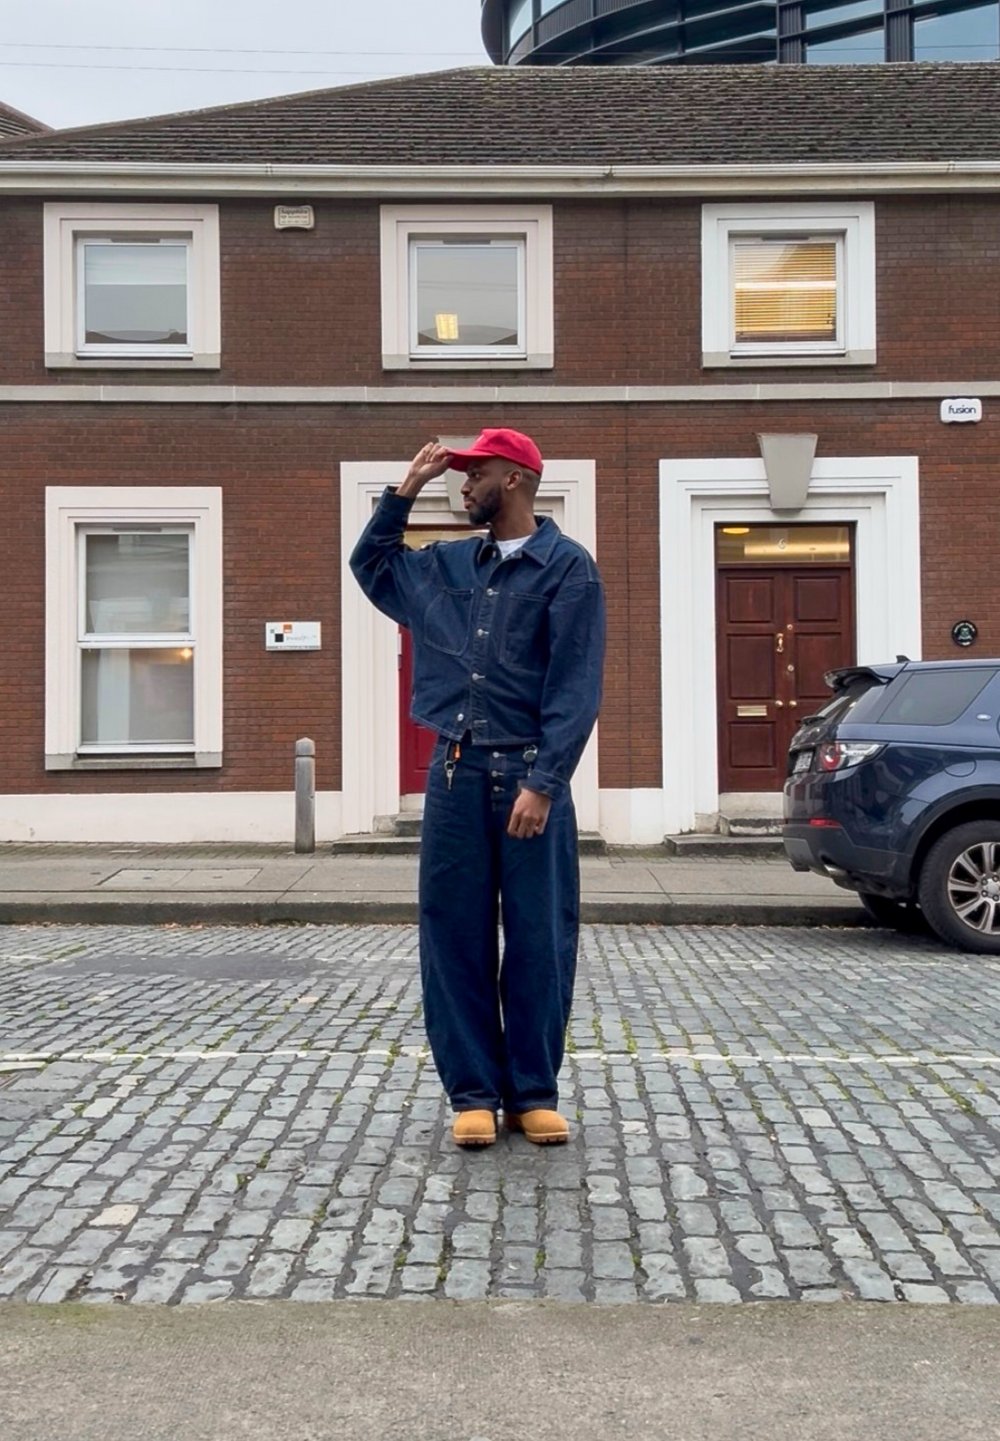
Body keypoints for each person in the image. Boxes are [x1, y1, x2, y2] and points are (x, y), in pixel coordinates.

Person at [350, 428, 606, 1147]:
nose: (462, 486)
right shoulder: (445, 566)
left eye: (475, 474)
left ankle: (531, 1091)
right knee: (453, 933)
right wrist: (404, 488)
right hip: (456, 776)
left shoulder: (568, 570)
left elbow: (575, 688)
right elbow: (370, 565)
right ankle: (472, 1093)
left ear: (516, 479)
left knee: (538, 938)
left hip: (529, 779)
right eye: (459, 476)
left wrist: (545, 781)